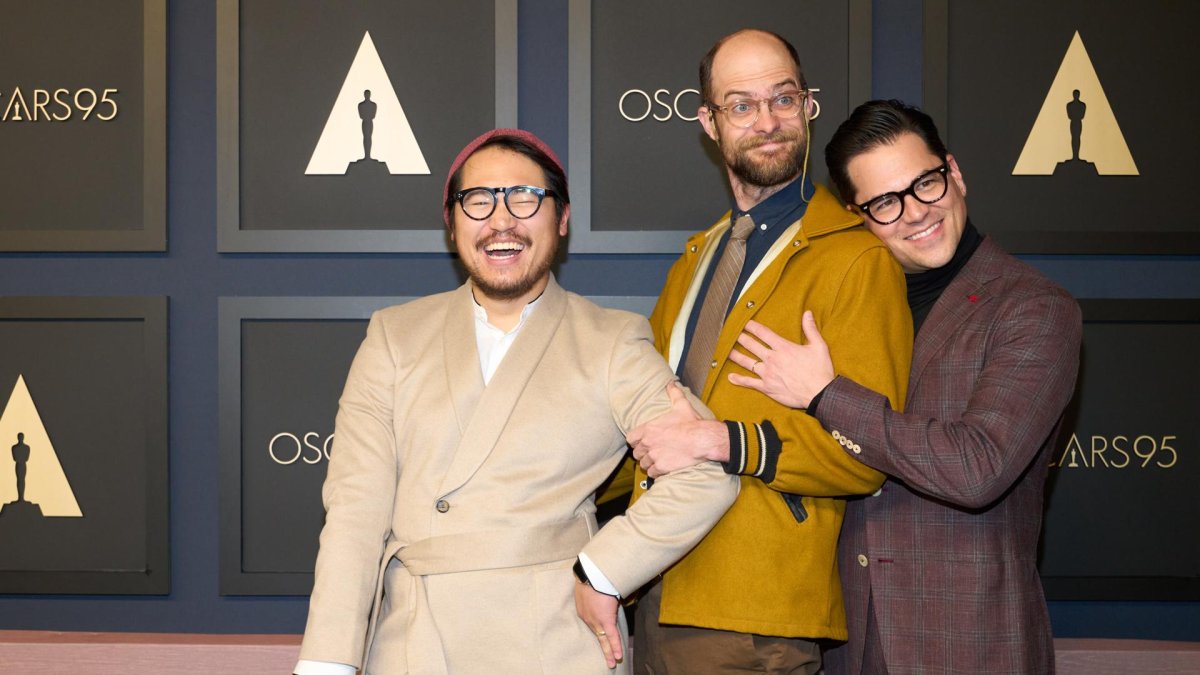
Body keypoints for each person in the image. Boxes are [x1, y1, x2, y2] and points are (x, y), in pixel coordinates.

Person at [294, 129, 738, 675]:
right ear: (451, 221)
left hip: (555, 643)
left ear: (563, 218)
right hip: (414, 644)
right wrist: (327, 660)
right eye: (478, 201)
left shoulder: (610, 340)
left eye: (525, 197)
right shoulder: (395, 335)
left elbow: (704, 471)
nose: (501, 221)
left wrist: (603, 570)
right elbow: (355, 510)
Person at [728, 99, 1082, 674]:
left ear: (955, 173)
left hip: (968, 642)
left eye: (927, 184)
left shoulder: (1034, 308)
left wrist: (826, 395)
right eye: (886, 203)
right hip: (846, 641)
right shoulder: (848, 307)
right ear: (857, 215)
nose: (916, 212)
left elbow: (978, 467)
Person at [626, 29, 912, 674]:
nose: (768, 121)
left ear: (808, 105)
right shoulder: (698, 257)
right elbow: (646, 422)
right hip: (656, 592)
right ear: (709, 122)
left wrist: (719, 440)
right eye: (742, 105)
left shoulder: (857, 258)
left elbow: (867, 455)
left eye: (783, 99)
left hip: (758, 618)